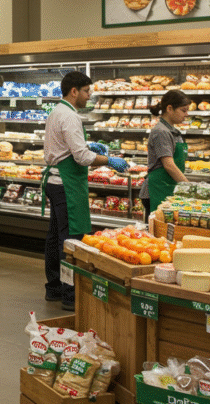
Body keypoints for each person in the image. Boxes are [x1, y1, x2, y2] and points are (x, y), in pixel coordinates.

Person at [42, 71, 128, 311]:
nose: (89, 96)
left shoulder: (56, 112)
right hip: (66, 185)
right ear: (74, 91)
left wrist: (87, 145)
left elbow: (65, 146)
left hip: (55, 181)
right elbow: (80, 157)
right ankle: (71, 295)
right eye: (87, 91)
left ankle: (54, 288)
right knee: (71, 240)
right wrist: (108, 160)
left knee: (55, 238)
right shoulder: (70, 116)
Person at [143, 90, 191, 216]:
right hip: (157, 189)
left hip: (167, 187)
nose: (187, 114)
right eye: (183, 110)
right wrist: (189, 187)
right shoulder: (161, 131)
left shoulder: (172, 131)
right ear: (169, 108)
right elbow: (168, 164)